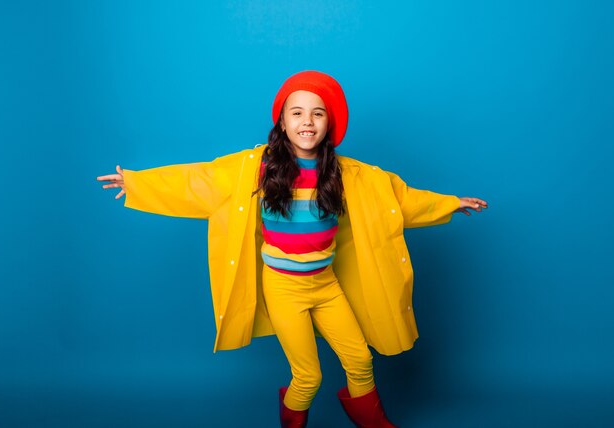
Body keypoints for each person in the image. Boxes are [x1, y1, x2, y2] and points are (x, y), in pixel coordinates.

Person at [97, 70, 487, 428]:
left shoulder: (349, 175)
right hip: (284, 289)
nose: (307, 121)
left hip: (326, 284)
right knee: (309, 376)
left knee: (360, 361)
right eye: (296, 112)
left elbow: (396, 201)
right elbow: (199, 181)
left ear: (329, 124)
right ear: (281, 122)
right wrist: (137, 184)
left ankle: (375, 423)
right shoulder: (258, 169)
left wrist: (450, 203)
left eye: (317, 114)